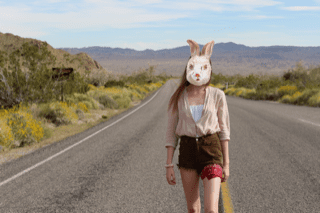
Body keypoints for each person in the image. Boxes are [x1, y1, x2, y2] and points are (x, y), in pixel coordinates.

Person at [165, 39, 230, 213]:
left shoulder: (217, 95)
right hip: (187, 151)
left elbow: (224, 131)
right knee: (193, 209)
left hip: (211, 150)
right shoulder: (178, 97)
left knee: (211, 210)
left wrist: (226, 163)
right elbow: (171, 133)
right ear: (189, 68)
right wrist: (169, 164)